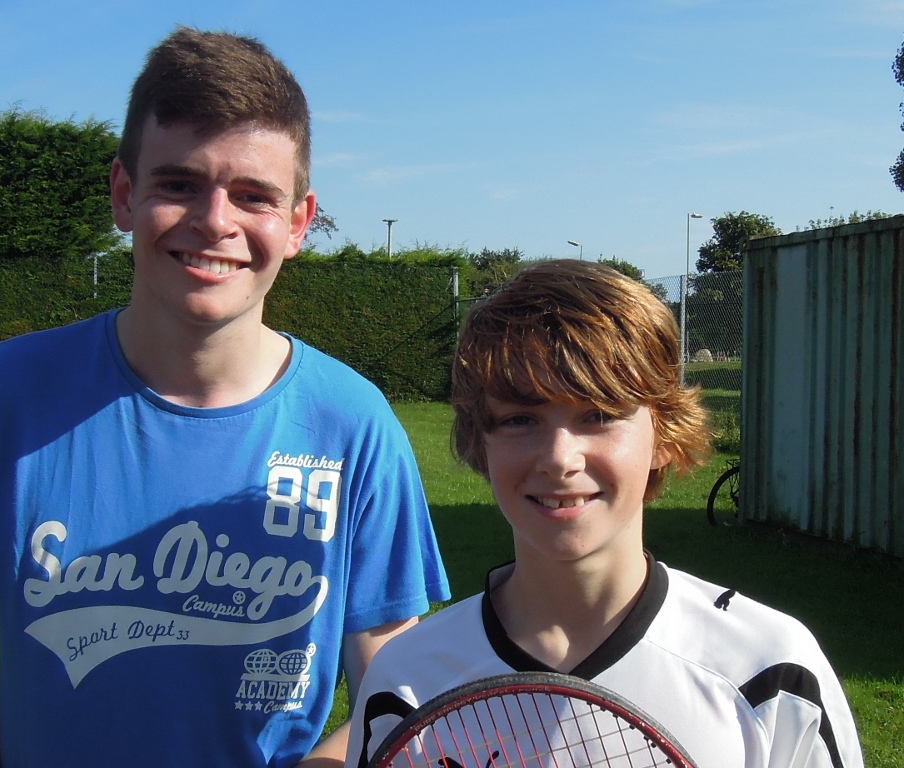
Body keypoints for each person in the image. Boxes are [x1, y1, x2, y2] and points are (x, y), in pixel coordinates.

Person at [0, 27, 449, 768]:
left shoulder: (354, 426)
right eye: (180, 183)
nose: (215, 221)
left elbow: (397, 692)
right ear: (125, 196)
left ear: (296, 223)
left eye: (254, 196)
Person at [347, 260, 863, 768]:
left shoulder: (771, 673)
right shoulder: (408, 680)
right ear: (480, 444)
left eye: (599, 415)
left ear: (663, 434)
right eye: (521, 419)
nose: (559, 459)